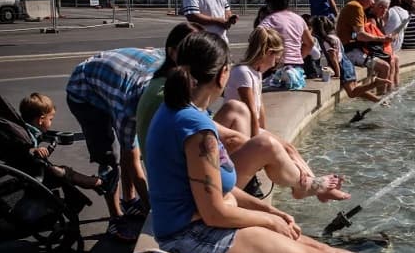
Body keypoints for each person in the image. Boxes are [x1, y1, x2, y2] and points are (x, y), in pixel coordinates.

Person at [144, 31, 415, 253]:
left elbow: (215, 192)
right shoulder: (197, 129)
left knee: (325, 251)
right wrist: (269, 221)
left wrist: (269, 209)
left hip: (196, 228)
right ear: (223, 74)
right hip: (192, 239)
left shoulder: (182, 113)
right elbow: (214, 211)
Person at [136, 23, 349, 203]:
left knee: (244, 118)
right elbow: (213, 208)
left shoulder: (172, 92)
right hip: (187, 190)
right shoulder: (173, 99)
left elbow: (220, 126)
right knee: (265, 146)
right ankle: (307, 184)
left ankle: (308, 184)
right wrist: (255, 147)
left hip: (183, 179)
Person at [66, 47, 164, 241]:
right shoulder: (128, 108)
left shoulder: (169, 69)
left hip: (113, 79)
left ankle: (129, 201)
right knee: (111, 156)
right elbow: (134, 162)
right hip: (84, 92)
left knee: (129, 147)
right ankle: (116, 217)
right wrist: (155, 214)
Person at [19, 92, 116, 194]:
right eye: (50, 119)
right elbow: (24, 148)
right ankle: (100, 182)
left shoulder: (22, 129)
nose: (51, 123)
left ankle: (96, 184)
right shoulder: (28, 135)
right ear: (41, 120)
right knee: (69, 173)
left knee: (65, 172)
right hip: (36, 172)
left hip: (33, 168)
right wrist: (35, 150)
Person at [336, 0, 394, 99]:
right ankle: (381, 98)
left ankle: (378, 98)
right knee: (384, 67)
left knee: (385, 63)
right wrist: (382, 39)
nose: (373, 3)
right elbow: (361, 35)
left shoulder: (354, 6)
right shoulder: (356, 7)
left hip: (351, 49)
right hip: (349, 51)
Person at [259, 0, 315, 89]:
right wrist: (299, 56)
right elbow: (310, 43)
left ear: (269, 3)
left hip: (275, 67)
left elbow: (257, 43)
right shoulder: (299, 19)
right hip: (296, 68)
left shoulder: (269, 21)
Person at [367, 0, 400, 91]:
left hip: (379, 48)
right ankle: (384, 92)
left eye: (386, 8)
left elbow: (382, 36)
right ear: (374, 6)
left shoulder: (379, 19)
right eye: (381, 7)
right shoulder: (371, 20)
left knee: (395, 59)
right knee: (392, 60)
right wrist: (387, 38)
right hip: (372, 50)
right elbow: (374, 39)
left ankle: (394, 89)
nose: (384, 11)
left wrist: (392, 36)